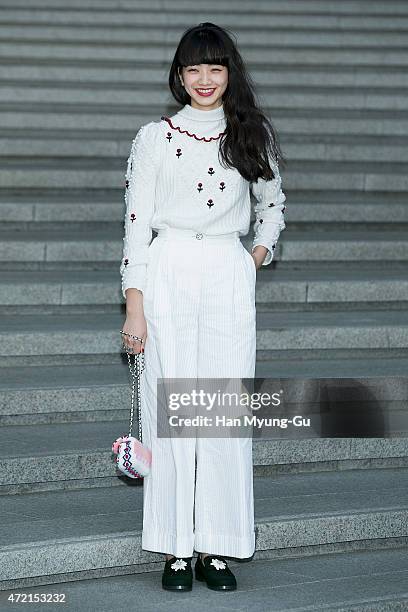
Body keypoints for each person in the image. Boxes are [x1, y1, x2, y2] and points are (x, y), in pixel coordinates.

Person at [120, 22, 287, 592]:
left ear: (229, 73)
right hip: (166, 272)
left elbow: (272, 203)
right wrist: (134, 305)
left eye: (215, 67)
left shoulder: (250, 134)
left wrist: (254, 257)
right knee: (170, 415)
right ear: (179, 76)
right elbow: (137, 224)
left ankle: (217, 546)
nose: (205, 79)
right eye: (194, 68)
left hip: (225, 274)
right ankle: (174, 547)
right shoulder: (155, 138)